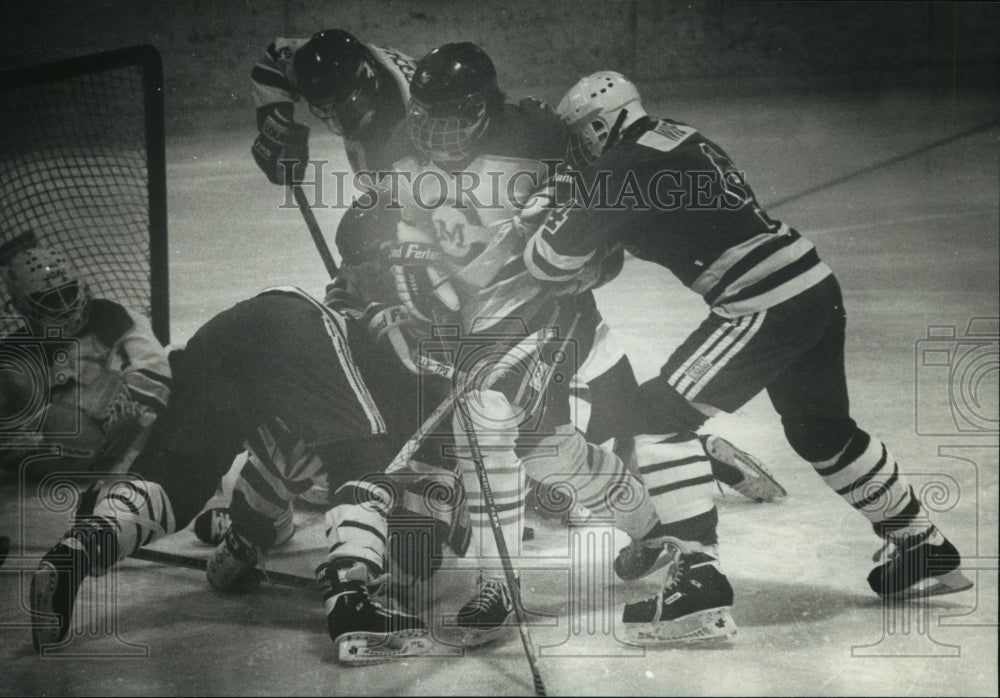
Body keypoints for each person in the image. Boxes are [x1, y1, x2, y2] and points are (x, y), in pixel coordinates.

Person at [523, 71, 974, 645]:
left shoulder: (620, 167)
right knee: (822, 433)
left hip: (764, 304)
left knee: (654, 417)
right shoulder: (677, 136)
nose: (578, 149)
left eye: (579, 136)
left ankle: (697, 584)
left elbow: (550, 262)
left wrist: (552, 205)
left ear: (597, 125)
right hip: (811, 284)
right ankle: (924, 546)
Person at [377, 43, 783, 647]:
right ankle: (650, 527)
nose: (438, 133)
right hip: (468, 326)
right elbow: (377, 222)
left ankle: (500, 581)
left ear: (487, 109)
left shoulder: (538, 136)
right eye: (429, 117)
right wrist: (399, 258)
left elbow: (601, 235)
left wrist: (570, 263)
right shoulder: (399, 154)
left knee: (486, 426)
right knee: (549, 451)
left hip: (547, 315)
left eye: (455, 117)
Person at [28, 286, 464, 660]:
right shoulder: (430, 413)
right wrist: (409, 562)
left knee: (179, 482)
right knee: (365, 462)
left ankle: (78, 549)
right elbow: (417, 565)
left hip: (226, 334)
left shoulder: (347, 392)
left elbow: (280, 467)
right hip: (293, 323)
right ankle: (351, 601)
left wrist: (242, 546)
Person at [0, 245, 170, 480]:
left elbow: (154, 369)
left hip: (132, 442)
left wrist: (112, 421)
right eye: (49, 300)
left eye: (68, 292)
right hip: (72, 460)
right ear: (23, 306)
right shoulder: (14, 354)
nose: (64, 305)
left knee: (179, 359)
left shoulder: (112, 316)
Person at [250, 28, 415, 181]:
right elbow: (274, 59)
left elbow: (407, 203)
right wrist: (276, 122)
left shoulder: (408, 117)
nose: (334, 124)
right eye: (323, 111)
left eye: (346, 108)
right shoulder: (318, 60)